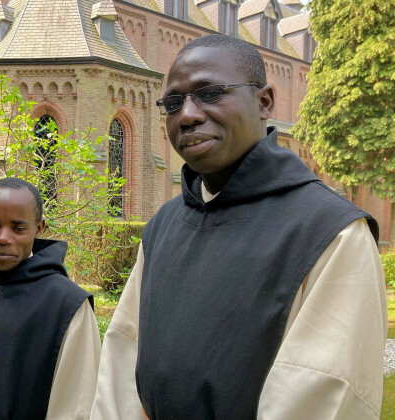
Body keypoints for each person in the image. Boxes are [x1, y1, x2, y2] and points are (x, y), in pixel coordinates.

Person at [91, 34, 386, 419]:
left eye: (210, 93)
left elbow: (324, 392)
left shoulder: (332, 233)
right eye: (173, 103)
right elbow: (122, 364)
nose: (188, 115)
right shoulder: (163, 227)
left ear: (264, 102)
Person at [0, 177, 101, 420]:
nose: (3, 237)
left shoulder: (67, 305)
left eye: (18, 228)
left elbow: (78, 404)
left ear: (39, 228)